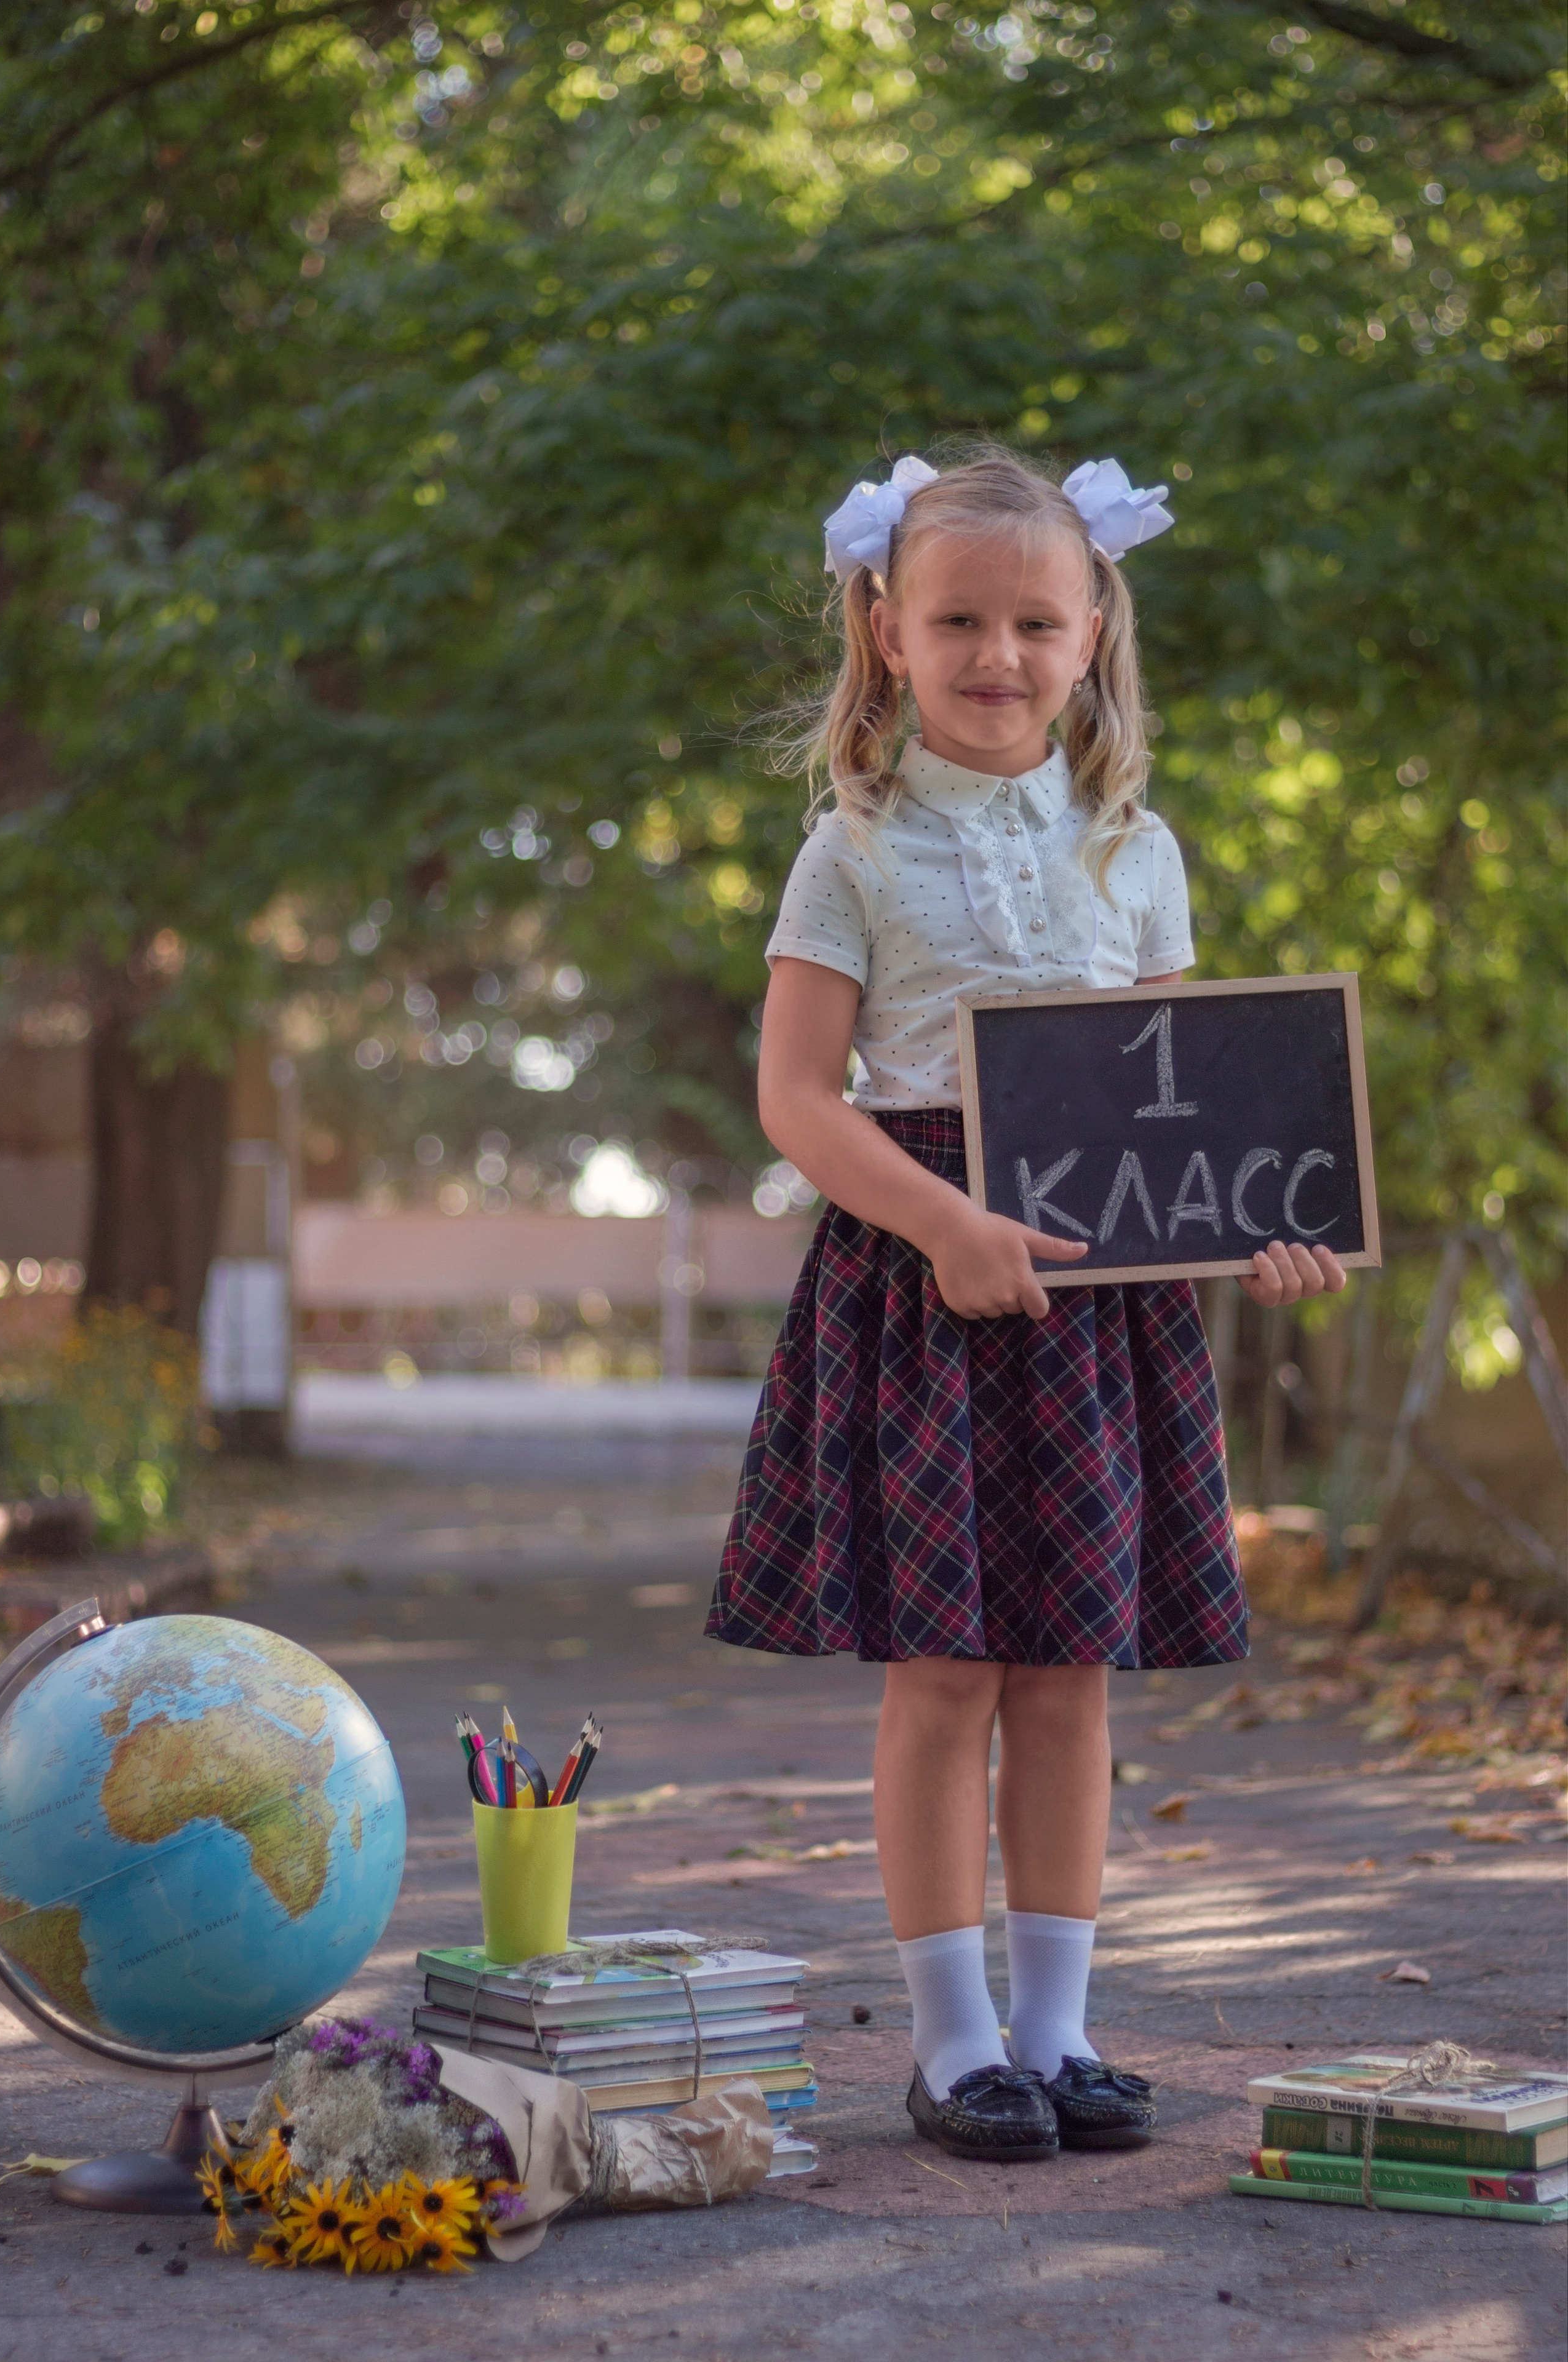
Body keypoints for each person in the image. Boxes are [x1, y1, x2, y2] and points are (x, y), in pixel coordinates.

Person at [705, 443, 1346, 2162]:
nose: (1001, 653)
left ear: (1092, 632)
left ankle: (1061, 2036)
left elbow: (1179, 1115)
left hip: (1101, 1307)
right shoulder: (848, 847)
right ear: (889, 631)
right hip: (927, 1286)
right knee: (947, 1675)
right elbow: (796, 1098)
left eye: (1035, 622)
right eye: (961, 619)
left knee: (1073, 1671)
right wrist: (942, 1226)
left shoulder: (1139, 851)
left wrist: (1262, 1229)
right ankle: (953, 2041)